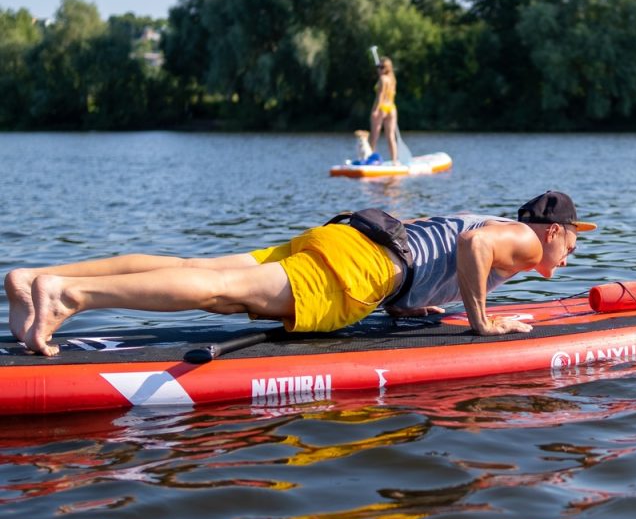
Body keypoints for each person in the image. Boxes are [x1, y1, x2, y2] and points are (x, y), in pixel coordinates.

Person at [5, 191, 597, 357]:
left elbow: (435, 240)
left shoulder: (495, 224)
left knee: (199, 270)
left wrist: (410, 306)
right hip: (365, 265)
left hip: (352, 238)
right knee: (223, 292)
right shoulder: (521, 240)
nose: (570, 253)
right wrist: (482, 324)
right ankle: (69, 294)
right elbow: (471, 246)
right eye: (572, 240)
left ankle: (39, 275)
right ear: (552, 232)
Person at [369, 56, 399, 163]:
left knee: (373, 137)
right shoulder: (392, 79)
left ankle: (371, 160)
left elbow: (380, 96)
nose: (379, 69)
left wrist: (375, 110)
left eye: (382, 67)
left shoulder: (382, 79)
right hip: (392, 108)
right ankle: (394, 161)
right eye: (378, 67)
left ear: (387, 68)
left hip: (382, 108)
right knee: (390, 137)